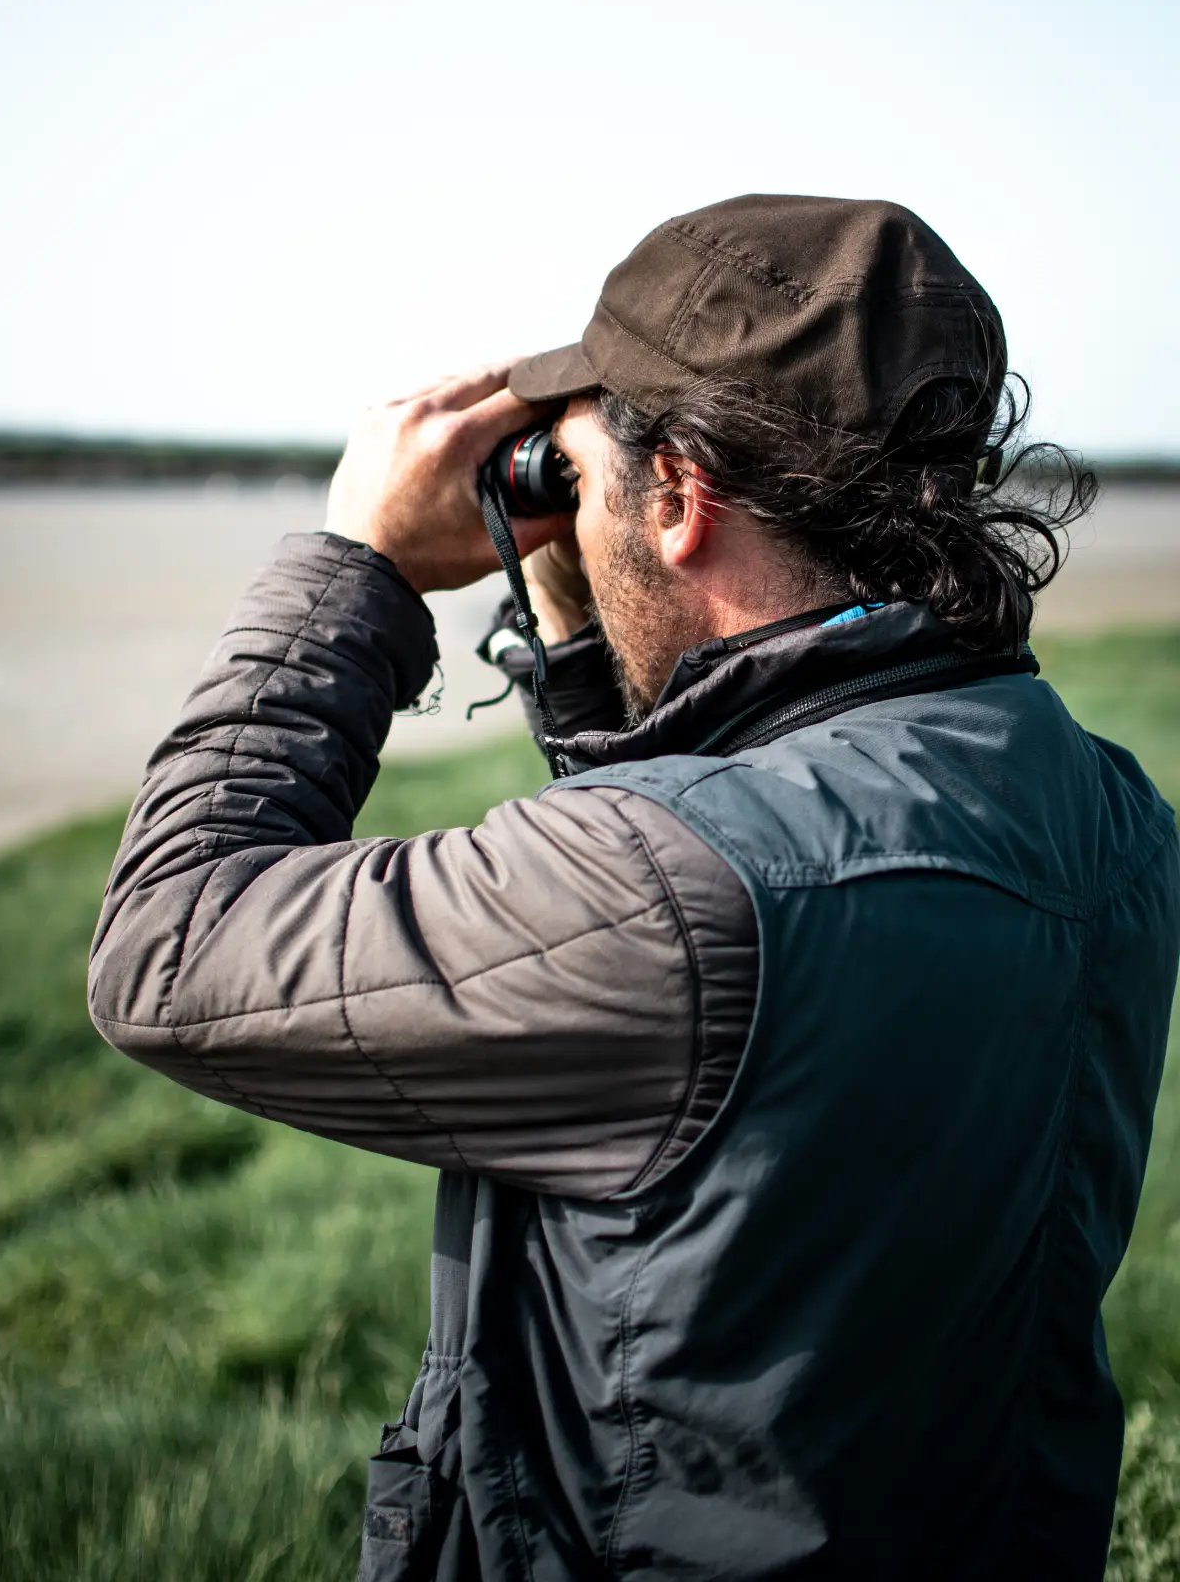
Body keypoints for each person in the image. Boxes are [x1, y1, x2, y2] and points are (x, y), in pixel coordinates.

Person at [88, 195, 1179, 1581]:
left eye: (587, 467)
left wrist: (355, 570)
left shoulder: (675, 895)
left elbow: (168, 951)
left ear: (680, 499)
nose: (567, 498)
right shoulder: (1102, 810)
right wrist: (574, 605)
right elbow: (722, 860)